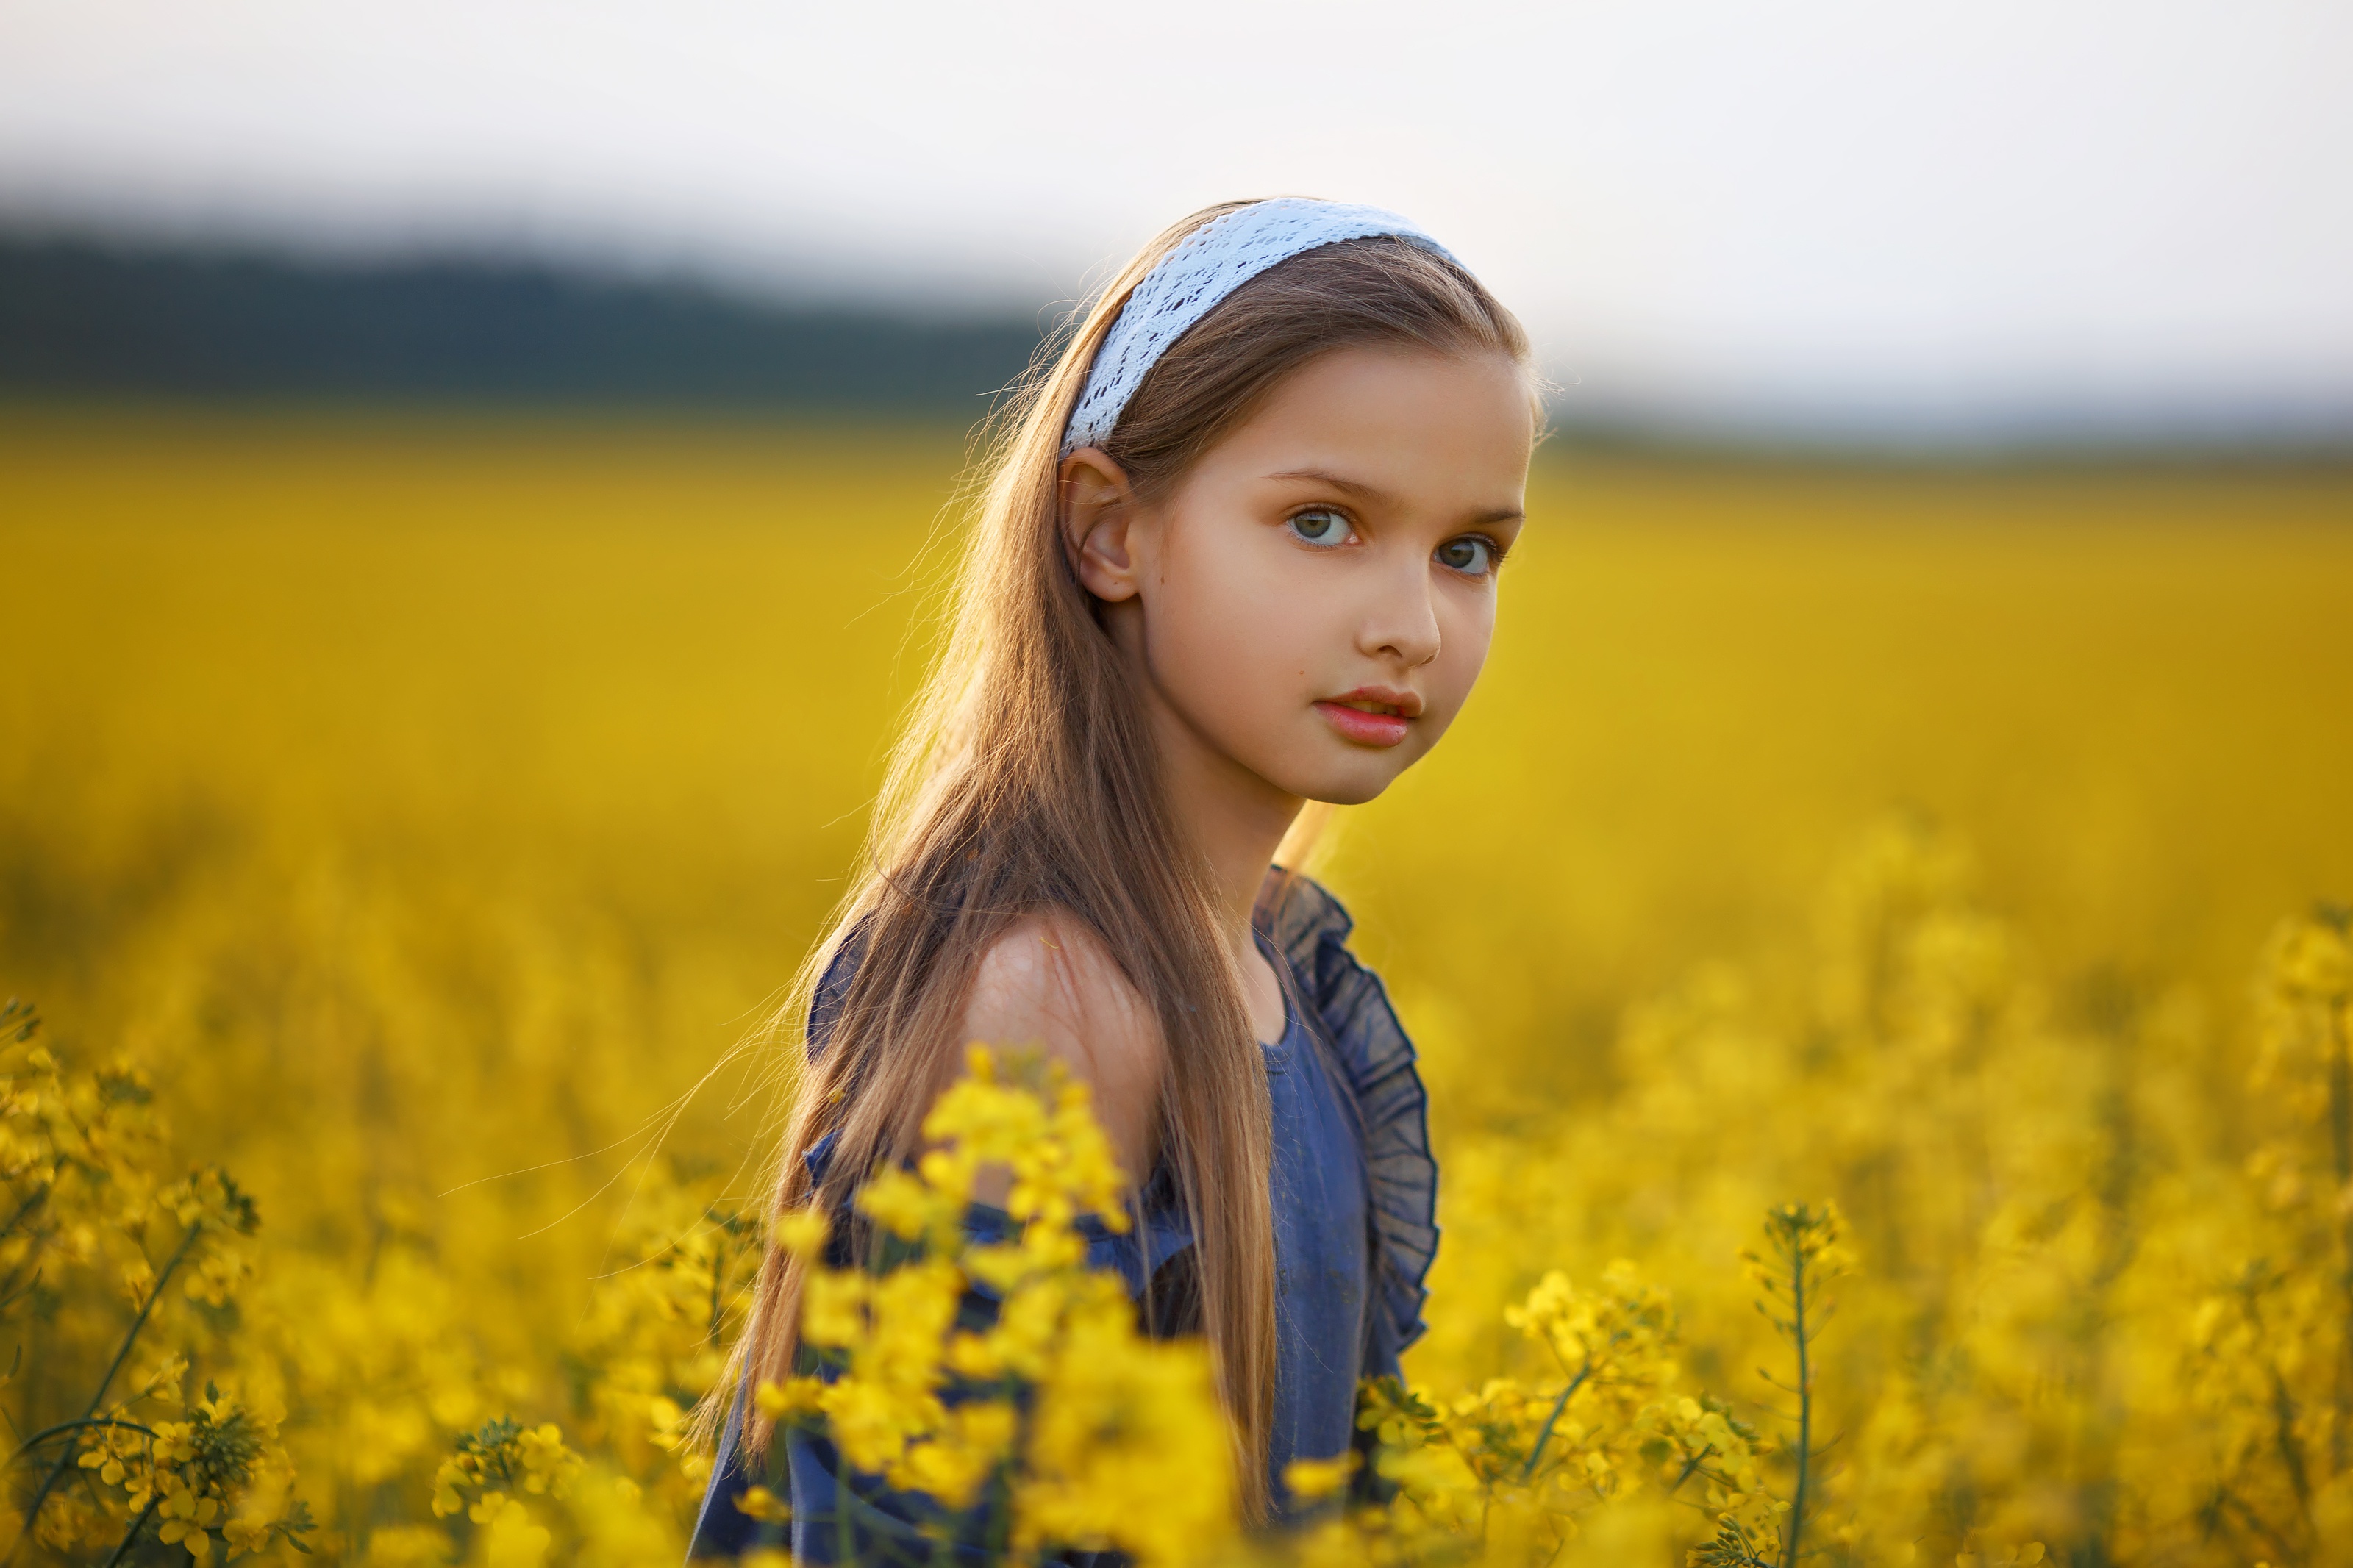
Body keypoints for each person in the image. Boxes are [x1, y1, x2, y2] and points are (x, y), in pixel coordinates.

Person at [688, 196, 1538, 1561]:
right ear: (1109, 531)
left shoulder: (1274, 980)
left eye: (1468, 552)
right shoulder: (1054, 1004)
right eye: (1323, 523)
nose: (1411, 624)